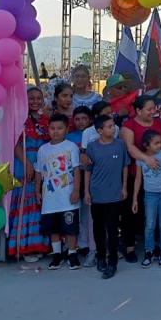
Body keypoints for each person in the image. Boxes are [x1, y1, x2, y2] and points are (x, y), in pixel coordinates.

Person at [119, 95, 161, 263]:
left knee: (153, 211)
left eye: (154, 108)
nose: (153, 111)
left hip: (157, 176)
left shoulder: (159, 123)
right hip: (135, 174)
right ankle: (129, 246)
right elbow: (130, 148)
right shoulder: (129, 125)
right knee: (130, 210)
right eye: (149, 109)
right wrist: (147, 160)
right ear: (138, 111)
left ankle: (153, 245)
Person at [7, 86, 51, 261]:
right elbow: (14, 143)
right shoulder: (18, 120)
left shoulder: (46, 121)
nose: (35, 102)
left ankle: (39, 244)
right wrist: (27, 164)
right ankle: (24, 247)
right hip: (24, 164)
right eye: (31, 98)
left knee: (40, 203)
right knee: (25, 203)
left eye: (38, 98)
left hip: (42, 166)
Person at [84, 115, 129, 279]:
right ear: (100, 131)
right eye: (109, 126)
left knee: (112, 228)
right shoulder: (92, 147)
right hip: (97, 193)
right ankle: (100, 257)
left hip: (115, 194)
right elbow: (88, 170)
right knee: (98, 228)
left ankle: (113, 262)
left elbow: (125, 166)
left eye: (113, 125)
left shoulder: (120, 145)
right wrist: (87, 192)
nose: (113, 128)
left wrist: (124, 186)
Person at [35, 114, 82, 270]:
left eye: (60, 128)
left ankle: (72, 253)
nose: (56, 132)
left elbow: (76, 169)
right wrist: (37, 191)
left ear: (67, 129)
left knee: (71, 228)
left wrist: (76, 190)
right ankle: (56, 254)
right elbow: (39, 172)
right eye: (52, 128)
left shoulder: (71, 147)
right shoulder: (43, 149)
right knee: (53, 228)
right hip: (50, 198)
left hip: (68, 197)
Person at [133, 130, 161, 268]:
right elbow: (138, 179)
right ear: (146, 145)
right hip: (150, 195)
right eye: (156, 143)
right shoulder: (141, 159)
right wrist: (134, 199)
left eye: (160, 142)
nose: (159, 145)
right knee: (150, 225)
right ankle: (149, 251)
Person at [68, 106, 96, 266]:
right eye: (77, 119)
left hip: (89, 179)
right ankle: (73, 244)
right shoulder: (69, 136)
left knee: (88, 213)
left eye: (84, 118)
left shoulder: (93, 134)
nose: (80, 122)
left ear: (90, 120)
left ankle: (86, 244)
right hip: (72, 179)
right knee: (73, 212)